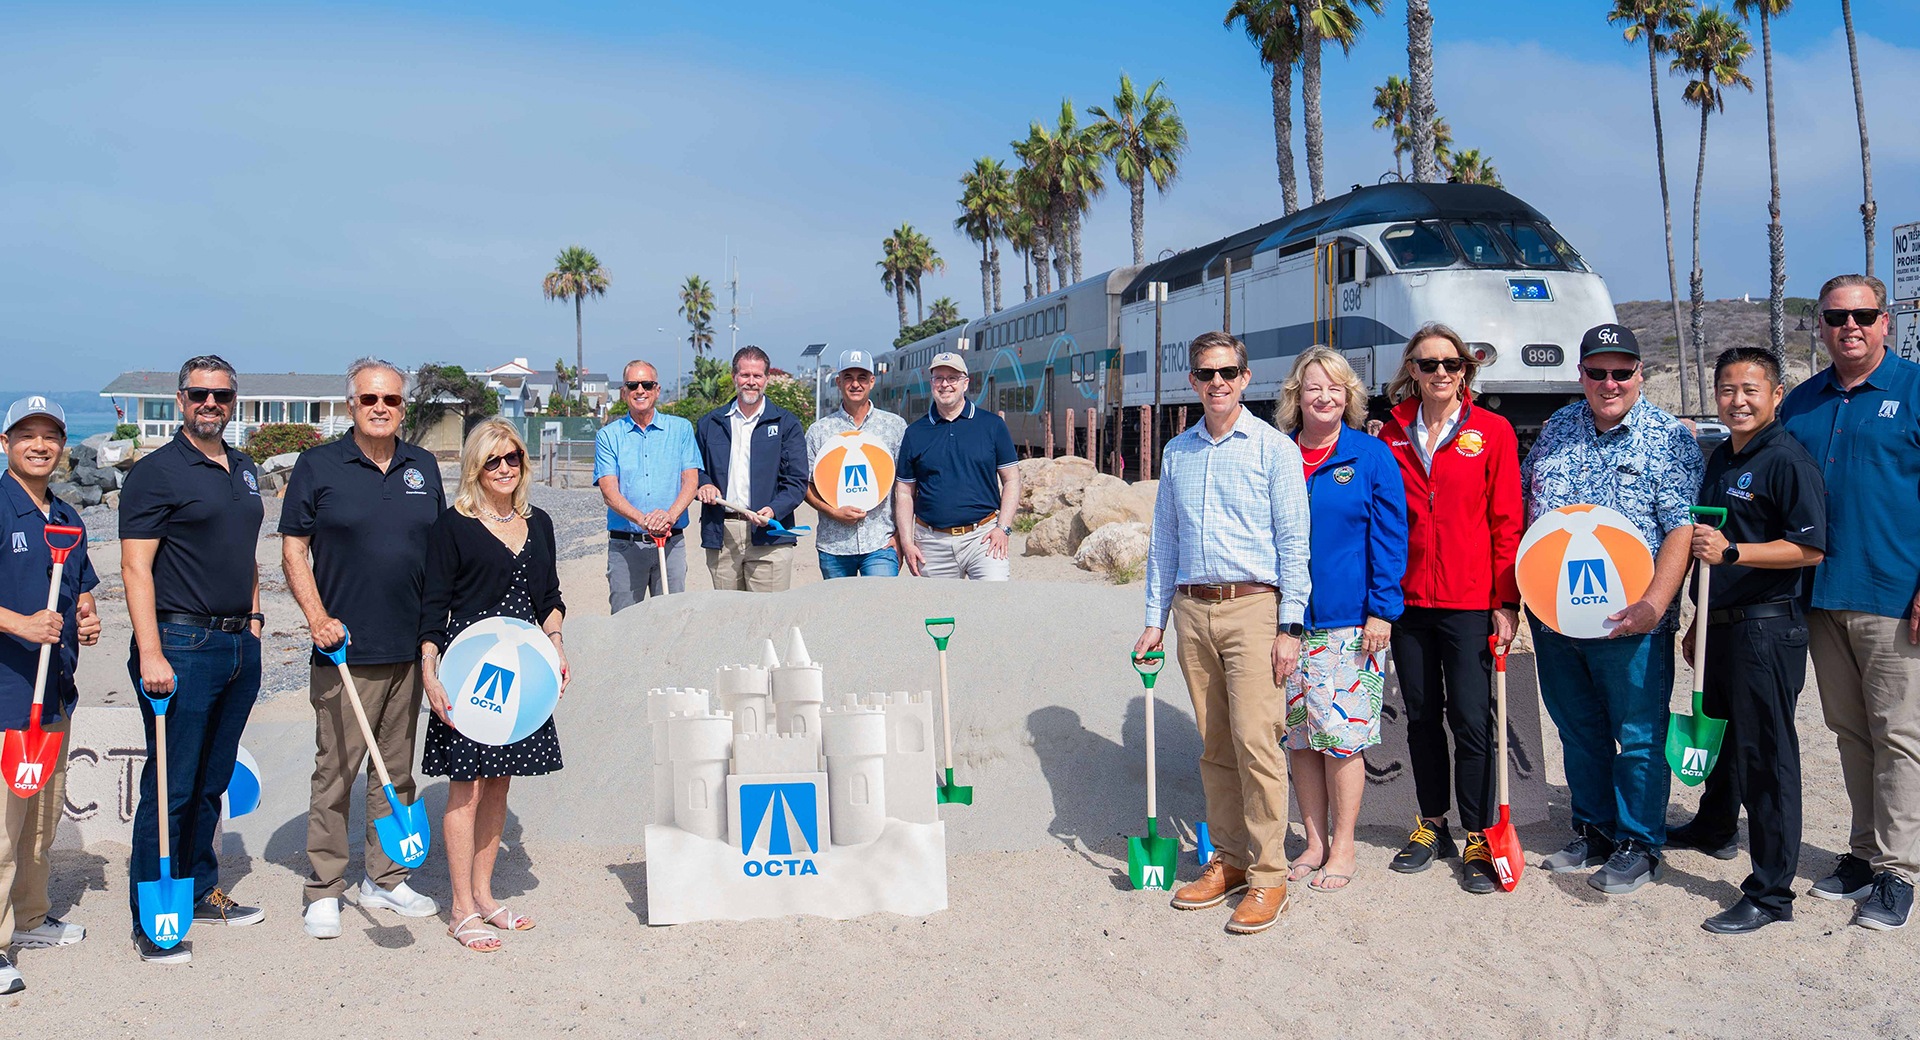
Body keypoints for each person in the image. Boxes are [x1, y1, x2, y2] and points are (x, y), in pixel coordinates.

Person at [1134, 330, 1311, 934]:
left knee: (1257, 743)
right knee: (1214, 746)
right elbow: (1164, 543)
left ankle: (1269, 876)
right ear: (1193, 381)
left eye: (1228, 373)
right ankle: (1230, 860)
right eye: (1207, 374)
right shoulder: (1177, 452)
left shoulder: (1273, 449)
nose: (1218, 383)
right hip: (1191, 611)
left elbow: (1294, 544)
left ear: (1245, 376)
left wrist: (1291, 626)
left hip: (1254, 610)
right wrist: (1154, 620)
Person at [1521, 324, 1702, 894]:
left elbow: (1680, 527)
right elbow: (1536, 518)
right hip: (1557, 618)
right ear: (1581, 375)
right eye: (1597, 372)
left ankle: (1639, 842)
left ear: (1640, 374)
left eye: (1621, 372)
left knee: (1639, 733)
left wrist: (1654, 604)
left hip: (1633, 619)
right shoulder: (1556, 429)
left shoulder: (1668, 436)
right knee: (1578, 728)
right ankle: (1594, 827)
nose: (1609, 382)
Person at [1661, 348, 1825, 934]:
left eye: (1751, 389)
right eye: (1727, 389)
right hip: (1724, 625)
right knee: (1725, 738)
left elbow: (1809, 548)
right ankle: (1715, 825)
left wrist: (1734, 553)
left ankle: (1772, 892)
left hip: (1767, 628)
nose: (1738, 400)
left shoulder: (1786, 461)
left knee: (1768, 758)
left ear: (1777, 395)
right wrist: (1700, 619)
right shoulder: (1722, 459)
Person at [280, 358, 443, 939]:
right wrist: (317, 617)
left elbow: (436, 553)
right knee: (337, 773)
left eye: (392, 400)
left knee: (395, 771)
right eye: (370, 399)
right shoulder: (318, 465)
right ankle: (324, 887)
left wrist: (434, 636)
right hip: (345, 650)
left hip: (408, 647)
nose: (381, 408)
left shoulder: (422, 465)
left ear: (404, 406)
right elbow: (294, 549)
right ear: (351, 404)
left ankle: (385, 876)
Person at [1779, 273, 1920, 930]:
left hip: (1894, 595)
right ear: (1821, 327)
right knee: (1850, 732)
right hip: (1819, 596)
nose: (1850, 327)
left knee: (1900, 736)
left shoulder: (1914, 391)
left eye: (1863, 315)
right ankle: (1864, 856)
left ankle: (1899, 872)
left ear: (1884, 321)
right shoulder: (1802, 402)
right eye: (1836, 318)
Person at [119, 355, 268, 962]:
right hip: (179, 646)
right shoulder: (156, 473)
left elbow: (248, 551)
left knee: (212, 783)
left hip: (237, 646)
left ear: (235, 400)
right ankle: (152, 919)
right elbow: (135, 566)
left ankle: (201, 888)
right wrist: (151, 650)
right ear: (180, 400)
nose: (212, 403)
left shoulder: (245, 466)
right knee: (172, 786)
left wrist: (255, 621)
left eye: (223, 394)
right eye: (200, 394)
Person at [1376, 324, 1523, 894]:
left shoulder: (1493, 432)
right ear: (1411, 367)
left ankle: (1480, 835)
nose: (1442, 373)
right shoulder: (1388, 433)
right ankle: (1431, 822)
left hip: (1468, 600)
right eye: (1429, 363)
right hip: (1408, 601)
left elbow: (1507, 521)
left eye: (1452, 364)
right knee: (1419, 717)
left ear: (1466, 370)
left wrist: (1506, 602)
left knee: (1469, 717)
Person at [419, 419, 568, 953]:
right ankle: (459, 908)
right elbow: (434, 606)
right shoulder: (452, 526)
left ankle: (483, 896)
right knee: (467, 786)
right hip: (469, 669)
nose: (504, 469)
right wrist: (430, 672)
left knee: (500, 782)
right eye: (493, 461)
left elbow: (549, 595)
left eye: (513, 459)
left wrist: (555, 642)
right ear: (475, 469)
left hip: (524, 672)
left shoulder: (541, 522)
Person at [1275, 348, 1406, 893]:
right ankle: (1314, 840)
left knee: (1343, 738)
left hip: (1349, 623)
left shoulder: (1370, 456)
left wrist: (1382, 610)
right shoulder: (1278, 454)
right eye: (1312, 388)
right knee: (1301, 739)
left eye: (1335, 387)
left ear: (1349, 396)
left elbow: (1391, 538)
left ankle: (1344, 843)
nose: (1324, 396)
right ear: (1295, 397)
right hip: (1285, 624)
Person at [0, 397, 101, 993]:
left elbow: (81, 588)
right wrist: (17, 623)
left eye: (51, 436)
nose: (40, 445)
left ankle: (30, 917)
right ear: (6, 441)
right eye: (26, 435)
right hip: (8, 692)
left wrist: (85, 615)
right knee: (3, 828)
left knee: (41, 818)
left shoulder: (67, 515)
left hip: (55, 691)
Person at [894, 352, 1020, 581]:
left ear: (965, 382)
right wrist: (907, 542)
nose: (945, 384)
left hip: (983, 537)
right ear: (931, 383)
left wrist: (1003, 528)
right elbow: (904, 492)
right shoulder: (914, 433)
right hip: (932, 542)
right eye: (938, 378)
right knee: (939, 613)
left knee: (995, 605)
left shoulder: (992, 426)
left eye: (952, 378)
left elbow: (1012, 479)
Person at [693, 347, 808, 592]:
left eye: (757, 376)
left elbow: (797, 481)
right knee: (728, 619)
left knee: (768, 618)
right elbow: (694, 469)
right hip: (723, 535)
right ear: (735, 377)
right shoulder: (710, 423)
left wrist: (774, 509)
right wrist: (703, 483)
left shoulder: (787, 423)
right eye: (745, 375)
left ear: (767, 379)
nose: (751, 382)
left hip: (770, 536)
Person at [595, 360, 700, 607]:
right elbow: (610, 493)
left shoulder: (681, 429)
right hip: (626, 547)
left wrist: (669, 517)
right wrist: (644, 521)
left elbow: (691, 482)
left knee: (671, 623)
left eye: (647, 384)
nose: (640, 390)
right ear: (624, 392)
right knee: (624, 626)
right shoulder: (608, 436)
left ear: (657, 389)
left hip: (671, 542)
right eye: (633, 385)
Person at [805, 349, 906, 578]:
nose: (855, 384)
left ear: (872, 381)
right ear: (839, 382)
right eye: (848, 377)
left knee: (881, 611)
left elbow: (906, 486)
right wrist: (832, 512)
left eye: (862, 378)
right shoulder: (819, 431)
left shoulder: (895, 427)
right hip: (834, 546)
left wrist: (900, 537)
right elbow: (805, 484)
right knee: (837, 613)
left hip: (881, 544)